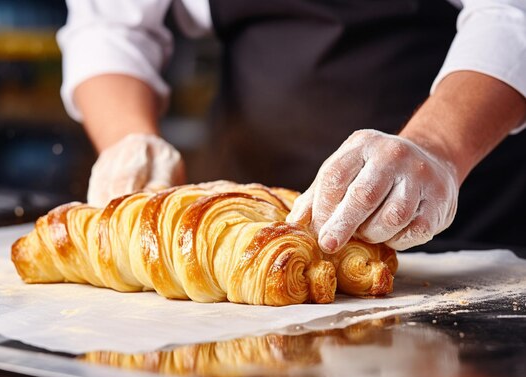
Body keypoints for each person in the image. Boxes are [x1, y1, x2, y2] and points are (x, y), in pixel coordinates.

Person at [57, 0, 526, 254]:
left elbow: (511, 13)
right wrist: (127, 139)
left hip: (464, 212)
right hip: (242, 225)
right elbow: (111, 25)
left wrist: (438, 146)